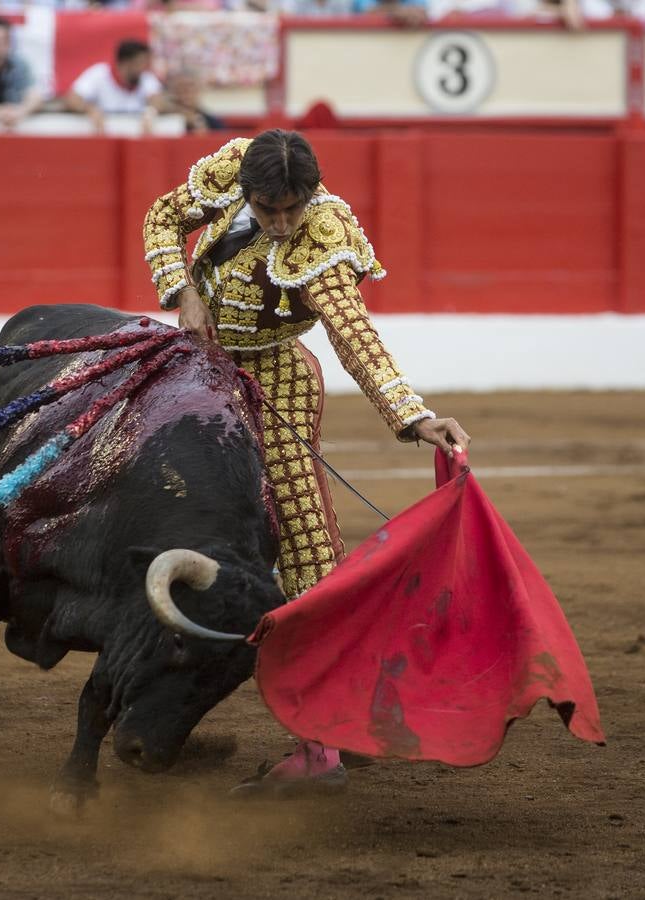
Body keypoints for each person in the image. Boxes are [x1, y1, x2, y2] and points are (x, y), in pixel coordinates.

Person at [142, 131, 471, 795]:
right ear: (247, 191)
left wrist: (411, 415)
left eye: (293, 208)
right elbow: (161, 216)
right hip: (195, 362)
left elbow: (354, 335)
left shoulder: (323, 233)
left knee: (307, 546)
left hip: (274, 378)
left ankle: (322, 736)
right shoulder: (229, 170)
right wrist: (183, 293)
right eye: (269, 210)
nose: (282, 222)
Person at [64, 39, 166, 134]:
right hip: (102, 137)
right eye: (140, 63)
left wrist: (151, 112)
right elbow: (72, 100)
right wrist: (90, 110)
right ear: (125, 63)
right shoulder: (98, 74)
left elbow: (158, 100)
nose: (143, 68)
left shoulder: (146, 78)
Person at [164, 70, 224, 134]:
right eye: (180, 86)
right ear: (172, 91)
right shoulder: (162, 118)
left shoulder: (212, 122)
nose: (186, 90)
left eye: (191, 86)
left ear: (199, 89)